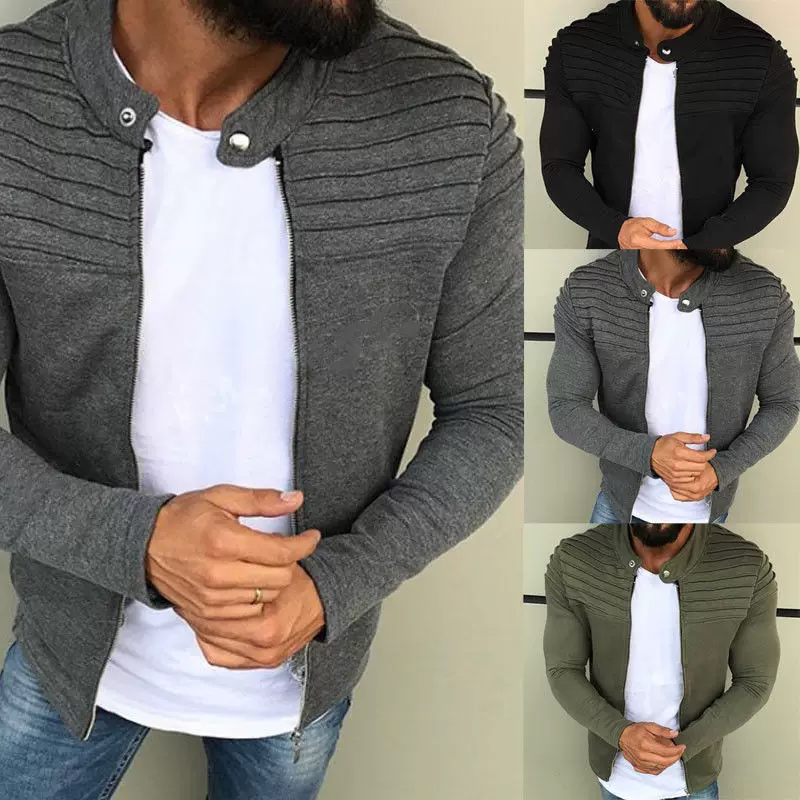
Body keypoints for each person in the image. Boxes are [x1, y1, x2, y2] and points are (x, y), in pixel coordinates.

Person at [0, 0, 524, 797]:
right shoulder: (15, 102)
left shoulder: (448, 119)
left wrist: (337, 585)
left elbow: (494, 413)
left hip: (302, 676)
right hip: (67, 653)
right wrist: (134, 543)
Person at [546, 248, 800, 524]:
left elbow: (784, 402)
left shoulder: (764, 294)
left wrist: (722, 469)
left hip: (710, 515)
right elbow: (566, 406)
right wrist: (648, 454)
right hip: (618, 509)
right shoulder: (589, 290)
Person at [544, 522, 780, 800]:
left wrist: (682, 746)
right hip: (615, 779)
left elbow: (755, 682)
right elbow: (563, 669)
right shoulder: (574, 560)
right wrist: (620, 734)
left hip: (695, 783)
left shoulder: (746, 567)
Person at [540, 0, 798, 249]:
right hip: (610, 257)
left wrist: (703, 246)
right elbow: (560, 165)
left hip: (711, 263)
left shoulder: (760, 56)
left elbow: (772, 181)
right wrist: (615, 229)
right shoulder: (576, 48)